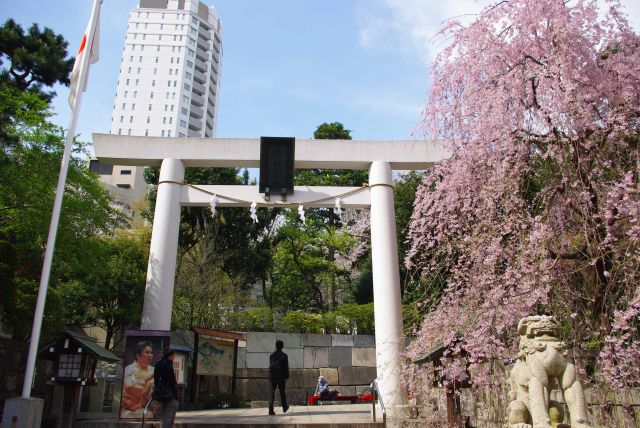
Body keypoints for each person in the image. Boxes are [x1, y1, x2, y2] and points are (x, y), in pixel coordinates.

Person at [121, 341, 155, 418]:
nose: (150, 355)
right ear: (138, 355)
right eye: (147, 352)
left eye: (151, 352)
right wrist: (147, 385)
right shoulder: (129, 370)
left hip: (148, 408)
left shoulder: (154, 371)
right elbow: (130, 392)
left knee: (148, 415)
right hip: (129, 409)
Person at [154, 347, 179, 428]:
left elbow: (156, 379)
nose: (174, 357)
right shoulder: (168, 364)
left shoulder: (158, 364)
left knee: (165, 416)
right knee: (169, 416)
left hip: (160, 393)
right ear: (171, 356)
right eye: (174, 355)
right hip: (169, 394)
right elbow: (171, 380)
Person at [268, 339, 289, 415]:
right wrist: (286, 377)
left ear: (276, 346)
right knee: (282, 392)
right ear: (282, 347)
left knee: (271, 393)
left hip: (272, 376)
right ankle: (284, 407)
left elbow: (271, 365)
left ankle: (270, 409)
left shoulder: (271, 355)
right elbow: (286, 368)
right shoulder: (284, 356)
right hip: (281, 377)